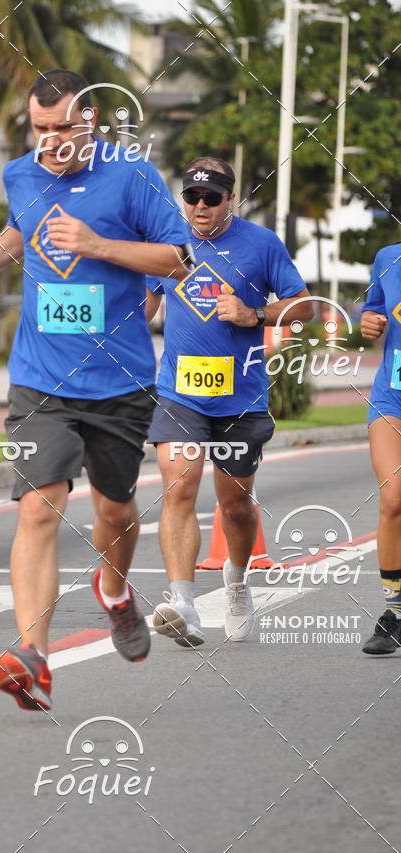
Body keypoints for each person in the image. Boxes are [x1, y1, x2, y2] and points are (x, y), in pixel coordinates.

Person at [0, 70, 190, 710]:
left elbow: (179, 259)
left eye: (63, 128)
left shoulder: (133, 176)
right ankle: (34, 655)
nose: (51, 142)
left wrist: (98, 245)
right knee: (38, 507)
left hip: (119, 380)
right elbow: (17, 226)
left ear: (91, 120)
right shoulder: (22, 174)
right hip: (41, 378)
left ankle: (114, 592)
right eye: (40, 129)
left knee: (114, 513)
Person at [147, 157, 313, 647]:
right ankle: (183, 603)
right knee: (178, 488)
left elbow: (304, 307)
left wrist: (255, 313)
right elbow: (146, 305)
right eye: (192, 197)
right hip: (179, 393)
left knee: (235, 506)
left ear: (230, 198)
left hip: (240, 397)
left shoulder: (261, 244)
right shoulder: (167, 245)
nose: (200, 207)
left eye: (211, 198)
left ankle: (237, 584)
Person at [360, 243, 401, 654]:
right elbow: (373, 313)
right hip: (393, 397)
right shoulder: (388, 258)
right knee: (393, 499)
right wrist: (370, 323)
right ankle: (394, 614)